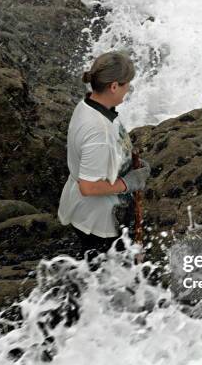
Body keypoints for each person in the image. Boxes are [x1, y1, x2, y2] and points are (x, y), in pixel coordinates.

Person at [57, 50, 151, 265]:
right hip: (99, 223)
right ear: (114, 86)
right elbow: (88, 187)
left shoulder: (89, 105)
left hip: (86, 213)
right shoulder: (98, 129)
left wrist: (127, 162)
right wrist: (128, 183)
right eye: (127, 84)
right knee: (110, 280)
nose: (128, 90)